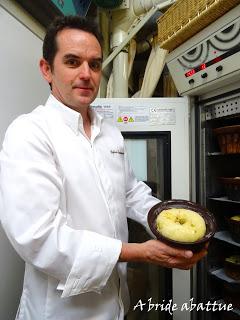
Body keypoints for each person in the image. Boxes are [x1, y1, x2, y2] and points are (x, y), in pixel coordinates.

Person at [0, 15, 207, 320]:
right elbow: (38, 238)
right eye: (73, 62)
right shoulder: (30, 133)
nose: (86, 74)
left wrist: (171, 226)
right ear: (47, 69)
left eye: (95, 64)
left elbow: (132, 193)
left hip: (115, 302)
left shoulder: (109, 131)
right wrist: (139, 252)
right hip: (62, 311)